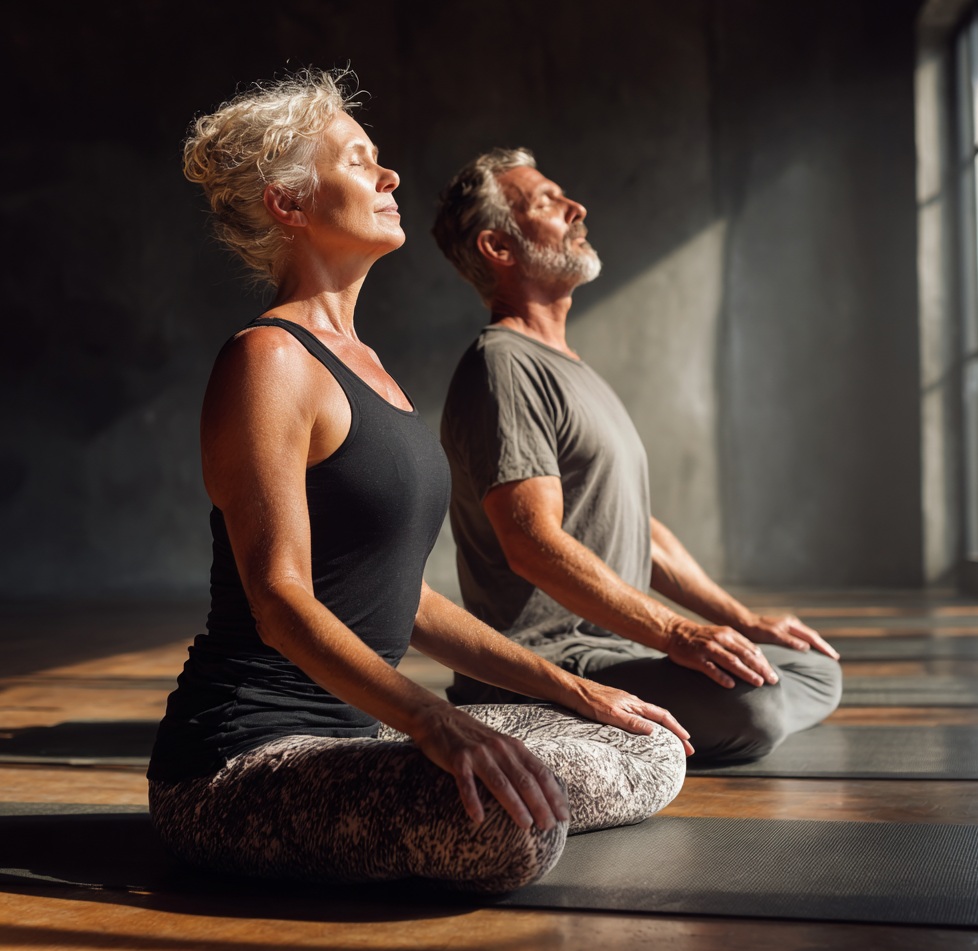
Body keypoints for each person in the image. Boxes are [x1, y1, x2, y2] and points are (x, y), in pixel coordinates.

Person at [146, 73, 690, 895]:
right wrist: (434, 718)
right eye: (362, 161)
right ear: (290, 205)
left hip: (358, 742)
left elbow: (405, 600)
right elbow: (280, 599)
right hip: (242, 761)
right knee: (508, 828)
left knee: (640, 735)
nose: (390, 176)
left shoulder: (371, 371)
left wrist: (577, 689)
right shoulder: (268, 363)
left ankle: (513, 754)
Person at [432, 148, 843, 765]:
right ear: (499, 247)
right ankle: (544, 716)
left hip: (617, 648)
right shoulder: (503, 366)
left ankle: (639, 725)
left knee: (813, 669)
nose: (577, 208)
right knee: (753, 710)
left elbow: (636, 533)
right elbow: (531, 544)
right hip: (552, 659)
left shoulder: (568, 367)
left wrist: (743, 621)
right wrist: (674, 633)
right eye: (547, 201)